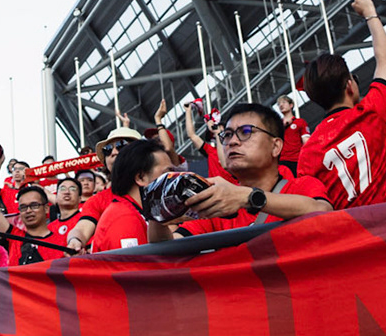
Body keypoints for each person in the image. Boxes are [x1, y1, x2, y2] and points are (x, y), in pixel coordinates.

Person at [149, 102, 332, 240]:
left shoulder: (302, 186)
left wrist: (247, 197)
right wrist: (157, 211)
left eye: (246, 132)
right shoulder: (219, 205)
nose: (232, 142)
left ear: (276, 146)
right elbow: (168, 245)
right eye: (227, 135)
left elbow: (323, 211)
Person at [299, 0, 386, 208]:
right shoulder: (371, 111)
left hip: (349, 237)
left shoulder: (308, 152)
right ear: (349, 86)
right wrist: (370, 13)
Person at [86, 138, 176, 253]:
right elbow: (137, 269)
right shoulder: (124, 219)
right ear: (141, 177)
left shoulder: (139, 212)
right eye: (167, 173)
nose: (174, 178)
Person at [65, 126, 145, 252]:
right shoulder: (97, 200)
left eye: (121, 145)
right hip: (116, 269)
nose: (113, 152)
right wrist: (75, 241)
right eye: (107, 149)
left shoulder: (161, 191)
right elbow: (82, 228)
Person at [0, 148, 65, 266]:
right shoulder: (15, 236)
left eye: (34, 205)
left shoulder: (63, 241)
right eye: (23, 207)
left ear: (46, 208)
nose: (29, 211)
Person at [276, 95, 308, 170]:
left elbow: (306, 141)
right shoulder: (276, 124)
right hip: (282, 162)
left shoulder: (300, 122)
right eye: (279, 104)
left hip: (297, 160)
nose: (281, 105)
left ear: (291, 105)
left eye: (283, 102)